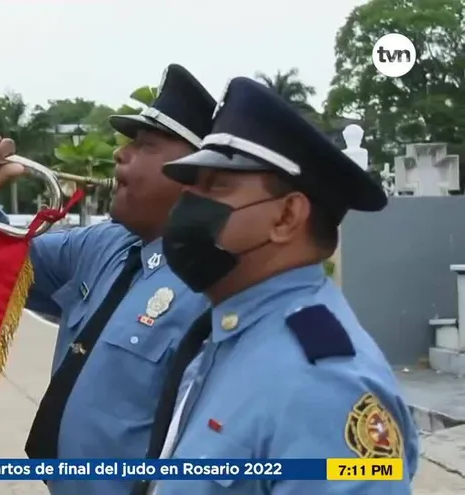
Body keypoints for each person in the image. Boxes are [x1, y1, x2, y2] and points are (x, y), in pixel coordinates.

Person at [0, 64, 216, 495]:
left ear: (196, 175)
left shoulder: (212, 286)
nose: (120, 155)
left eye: (145, 146)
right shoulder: (104, 244)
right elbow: (1, 263)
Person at [142, 76, 419, 495]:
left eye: (216, 186)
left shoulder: (324, 381)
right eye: (192, 184)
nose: (188, 203)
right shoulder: (238, 332)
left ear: (287, 217)